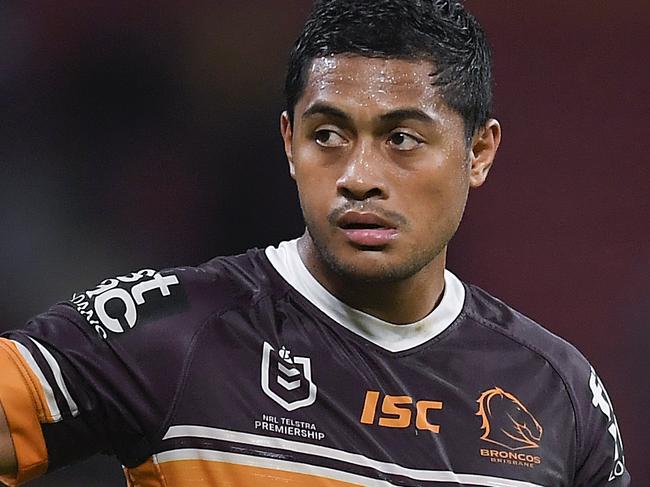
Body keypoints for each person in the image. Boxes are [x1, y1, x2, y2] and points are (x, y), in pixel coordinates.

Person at [0, 0, 630, 486]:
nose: (359, 177)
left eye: (402, 139)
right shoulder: (174, 332)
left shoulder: (557, 391)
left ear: (479, 152)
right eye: (328, 134)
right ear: (288, 143)